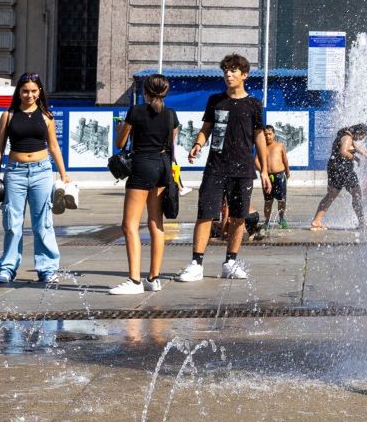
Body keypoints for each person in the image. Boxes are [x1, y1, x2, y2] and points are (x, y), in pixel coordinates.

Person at [177, 54, 271, 282]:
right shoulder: (215, 101)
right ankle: (196, 264)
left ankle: (230, 262)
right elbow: (206, 128)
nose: (228, 75)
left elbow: (259, 138)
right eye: (226, 71)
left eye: (233, 71)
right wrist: (198, 144)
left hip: (243, 169)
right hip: (215, 167)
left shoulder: (254, 105)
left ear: (244, 75)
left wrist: (265, 170)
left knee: (239, 217)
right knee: (205, 214)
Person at [0, 73, 71, 284]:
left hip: (42, 172)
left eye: (33, 91)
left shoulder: (46, 116)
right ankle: (7, 267)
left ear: (39, 93)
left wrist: (64, 174)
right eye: (25, 91)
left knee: (43, 223)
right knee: (12, 222)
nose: (29, 95)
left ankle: (47, 268)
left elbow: (54, 147)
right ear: (19, 92)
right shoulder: (8, 116)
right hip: (15, 172)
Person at [109, 74, 179, 294]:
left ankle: (134, 280)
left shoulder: (136, 111)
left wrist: (123, 127)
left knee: (129, 224)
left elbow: (121, 143)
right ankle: (153, 278)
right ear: (165, 92)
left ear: (145, 92)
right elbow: (171, 144)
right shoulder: (171, 115)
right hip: (162, 167)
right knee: (156, 223)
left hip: (142, 166)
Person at [311, 124, 367, 231]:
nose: (361, 139)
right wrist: (354, 158)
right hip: (344, 171)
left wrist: (366, 156)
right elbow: (343, 151)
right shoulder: (347, 138)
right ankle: (362, 222)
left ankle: (316, 221)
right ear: (359, 133)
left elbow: (354, 146)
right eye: (362, 136)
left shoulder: (346, 135)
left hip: (335, 169)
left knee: (331, 196)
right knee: (357, 194)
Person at [254, 125, 290, 232]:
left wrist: (287, 171)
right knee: (268, 201)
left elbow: (285, 160)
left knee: (281, 199)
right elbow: (255, 160)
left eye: (270, 134)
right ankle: (267, 221)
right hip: (267, 178)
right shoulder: (262, 147)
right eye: (265, 134)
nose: (268, 136)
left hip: (280, 176)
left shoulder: (280, 145)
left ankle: (282, 218)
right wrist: (263, 172)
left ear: (274, 134)